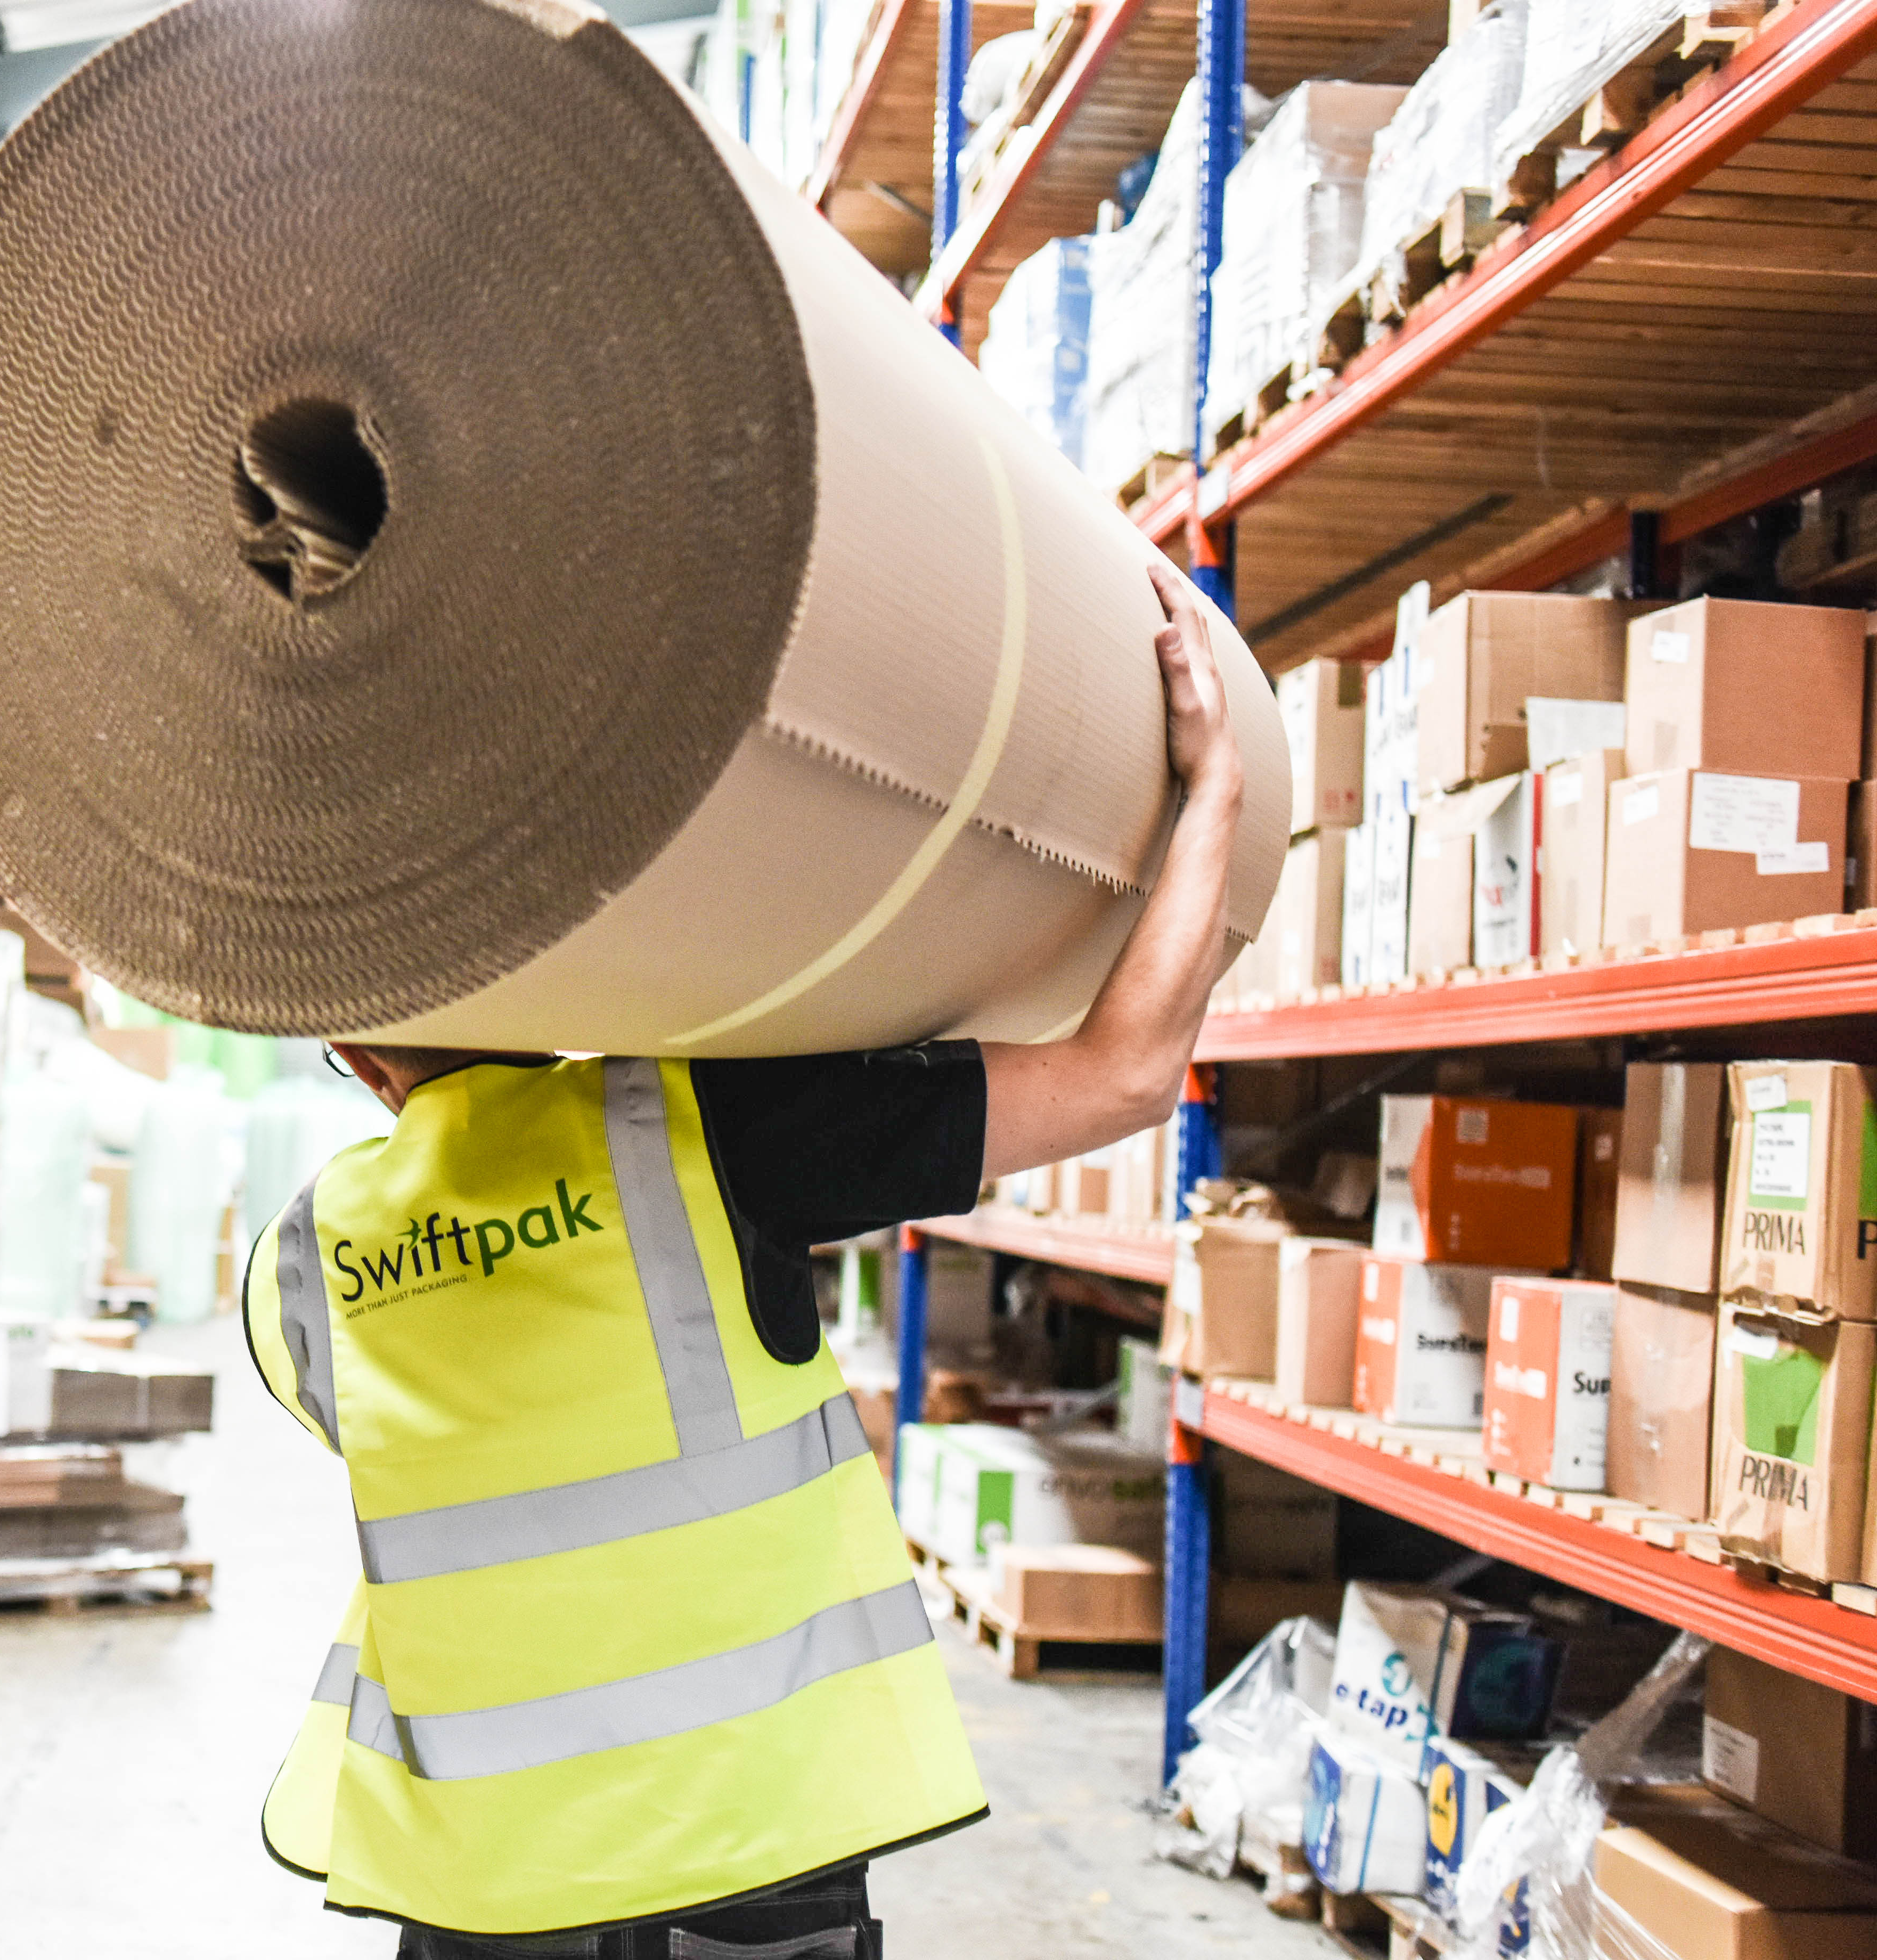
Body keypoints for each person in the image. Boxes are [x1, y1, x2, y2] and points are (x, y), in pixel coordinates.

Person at [240, 567, 1246, 1958]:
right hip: (742, 1864)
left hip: (477, 1890)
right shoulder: (703, 1135)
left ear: (352, 1053)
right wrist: (1216, 792)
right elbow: (1124, 1073)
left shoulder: (300, 1265)